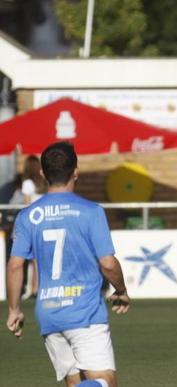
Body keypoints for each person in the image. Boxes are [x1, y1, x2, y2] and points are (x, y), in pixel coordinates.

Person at [5, 141, 131, 387]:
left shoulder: (28, 215)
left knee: (76, 383)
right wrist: (122, 290)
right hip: (84, 312)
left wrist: (14, 309)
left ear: (43, 174)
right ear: (76, 171)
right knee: (105, 382)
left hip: (50, 313)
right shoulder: (91, 211)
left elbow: (14, 266)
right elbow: (107, 263)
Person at [21, 155, 47, 299]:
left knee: (32, 260)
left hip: (32, 224)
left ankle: (34, 289)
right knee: (39, 259)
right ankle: (37, 288)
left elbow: (26, 206)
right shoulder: (44, 183)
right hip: (46, 223)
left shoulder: (27, 183)